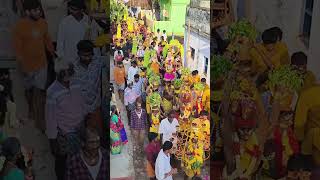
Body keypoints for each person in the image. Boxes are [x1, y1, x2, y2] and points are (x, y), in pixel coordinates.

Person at [12, 0, 55, 130]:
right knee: (29, 90)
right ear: (27, 12)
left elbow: (47, 40)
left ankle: (38, 116)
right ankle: (31, 108)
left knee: (39, 90)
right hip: (27, 66)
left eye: (39, 10)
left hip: (42, 64)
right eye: (35, 10)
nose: (39, 12)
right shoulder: (19, 26)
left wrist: (53, 53)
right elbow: (17, 49)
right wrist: (21, 64)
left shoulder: (43, 23)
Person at [46, 58, 87, 180]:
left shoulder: (77, 83)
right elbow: (50, 118)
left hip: (80, 130)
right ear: (58, 73)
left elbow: (82, 104)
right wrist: (53, 141)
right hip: (64, 134)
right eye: (63, 72)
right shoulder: (52, 91)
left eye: (69, 71)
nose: (67, 75)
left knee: (80, 162)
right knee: (63, 164)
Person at [72, 40, 104, 132]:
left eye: (89, 55)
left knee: (95, 138)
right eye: (84, 56)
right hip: (79, 109)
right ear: (78, 54)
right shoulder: (72, 67)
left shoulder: (98, 62)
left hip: (95, 108)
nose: (87, 58)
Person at [294, 85, 320, 167]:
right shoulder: (308, 94)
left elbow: (299, 124)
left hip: (313, 142)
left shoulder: (307, 94)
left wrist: (299, 140)